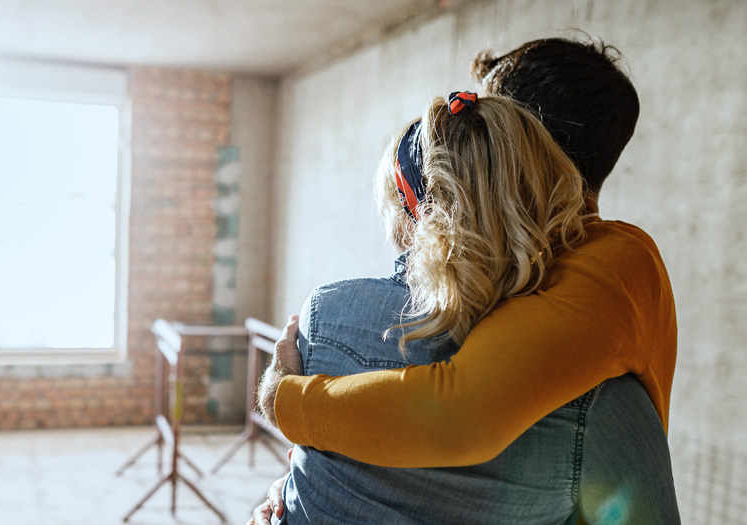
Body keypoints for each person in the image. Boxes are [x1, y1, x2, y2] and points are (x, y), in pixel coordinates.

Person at [249, 37, 678, 524]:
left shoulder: (612, 268)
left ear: (520, 137)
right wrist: (301, 484)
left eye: (490, 116)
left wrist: (283, 399)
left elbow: (457, 410)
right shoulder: (539, 272)